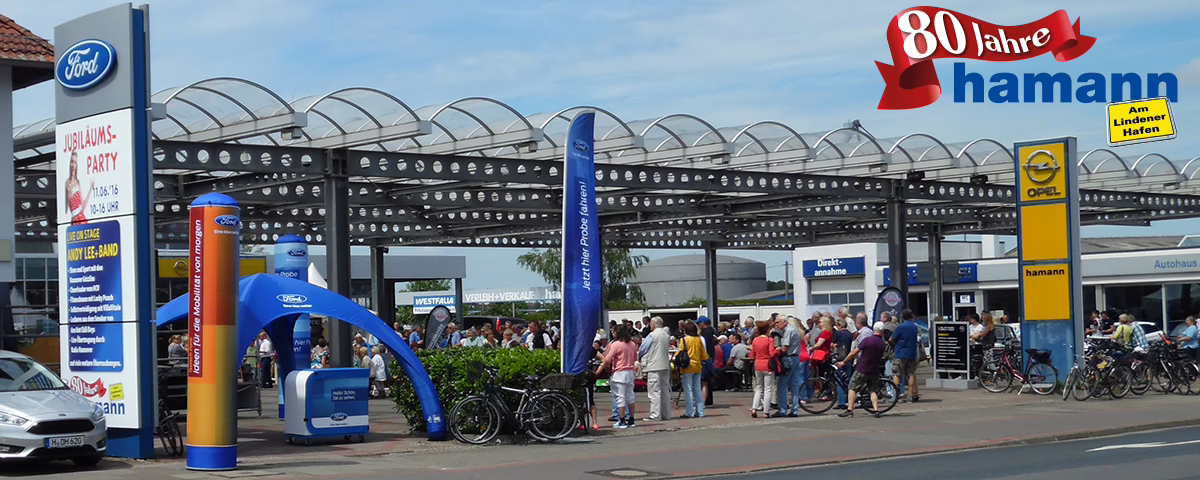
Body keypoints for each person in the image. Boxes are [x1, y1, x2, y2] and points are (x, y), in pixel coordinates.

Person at [836, 321, 887, 418]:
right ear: (882, 331)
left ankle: (850, 409)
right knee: (873, 390)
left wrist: (844, 362)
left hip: (863, 368)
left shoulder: (868, 340)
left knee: (852, 388)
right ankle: (876, 410)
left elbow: (855, 352)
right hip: (875, 369)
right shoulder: (882, 343)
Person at [598, 325, 639, 428]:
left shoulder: (616, 344)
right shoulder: (632, 344)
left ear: (617, 333)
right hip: (630, 372)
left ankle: (622, 420)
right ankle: (631, 419)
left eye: (614, 331)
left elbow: (608, 359)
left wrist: (601, 367)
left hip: (619, 372)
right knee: (630, 396)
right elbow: (635, 359)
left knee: (620, 397)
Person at [639, 316, 672, 422]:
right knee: (665, 390)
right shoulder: (666, 335)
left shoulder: (652, 335)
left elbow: (643, 349)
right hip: (664, 364)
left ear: (653, 324)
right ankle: (666, 414)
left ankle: (655, 415)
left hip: (654, 365)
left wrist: (640, 358)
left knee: (654, 391)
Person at [675, 320, 710, 418]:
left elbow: (679, 352)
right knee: (697, 389)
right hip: (698, 366)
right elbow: (705, 355)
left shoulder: (684, 340)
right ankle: (700, 411)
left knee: (688, 390)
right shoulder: (699, 340)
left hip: (687, 367)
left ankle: (689, 412)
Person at [775, 316, 806, 417]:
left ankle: (782, 409)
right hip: (796, 357)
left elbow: (785, 348)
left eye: (778, 322)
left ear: (784, 322)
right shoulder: (794, 329)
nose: (776, 324)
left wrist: (777, 349)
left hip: (789, 358)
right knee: (794, 384)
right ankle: (795, 409)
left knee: (782, 384)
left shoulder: (788, 331)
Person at [891, 309, 921, 402]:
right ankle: (910, 395)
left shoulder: (901, 327)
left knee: (896, 374)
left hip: (901, 352)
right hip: (912, 352)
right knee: (911, 374)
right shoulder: (915, 326)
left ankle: (896, 395)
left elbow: (892, 339)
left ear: (902, 317)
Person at [749, 320, 775, 418]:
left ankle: (754, 408)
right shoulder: (769, 340)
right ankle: (766, 411)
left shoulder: (755, 340)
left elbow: (752, 355)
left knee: (759, 388)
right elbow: (772, 353)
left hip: (758, 364)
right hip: (767, 364)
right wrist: (777, 350)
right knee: (768, 388)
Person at [63, 151, 95, 224]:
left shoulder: (78, 182)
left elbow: (82, 207)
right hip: (74, 219)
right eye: (72, 162)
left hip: (81, 218)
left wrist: (90, 189)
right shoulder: (67, 182)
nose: (73, 165)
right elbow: (66, 210)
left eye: (75, 162)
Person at [696, 316, 718, 406]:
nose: (698, 325)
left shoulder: (705, 333)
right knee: (707, 380)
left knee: (704, 381)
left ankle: (704, 401)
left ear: (703, 323)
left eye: (699, 323)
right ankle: (708, 400)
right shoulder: (711, 332)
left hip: (705, 358)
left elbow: (703, 346)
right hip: (710, 357)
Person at [832, 317, 854, 408]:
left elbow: (833, 345)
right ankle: (848, 399)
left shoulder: (837, 333)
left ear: (840, 325)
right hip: (848, 358)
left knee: (839, 380)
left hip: (840, 358)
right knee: (847, 379)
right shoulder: (850, 334)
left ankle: (841, 402)